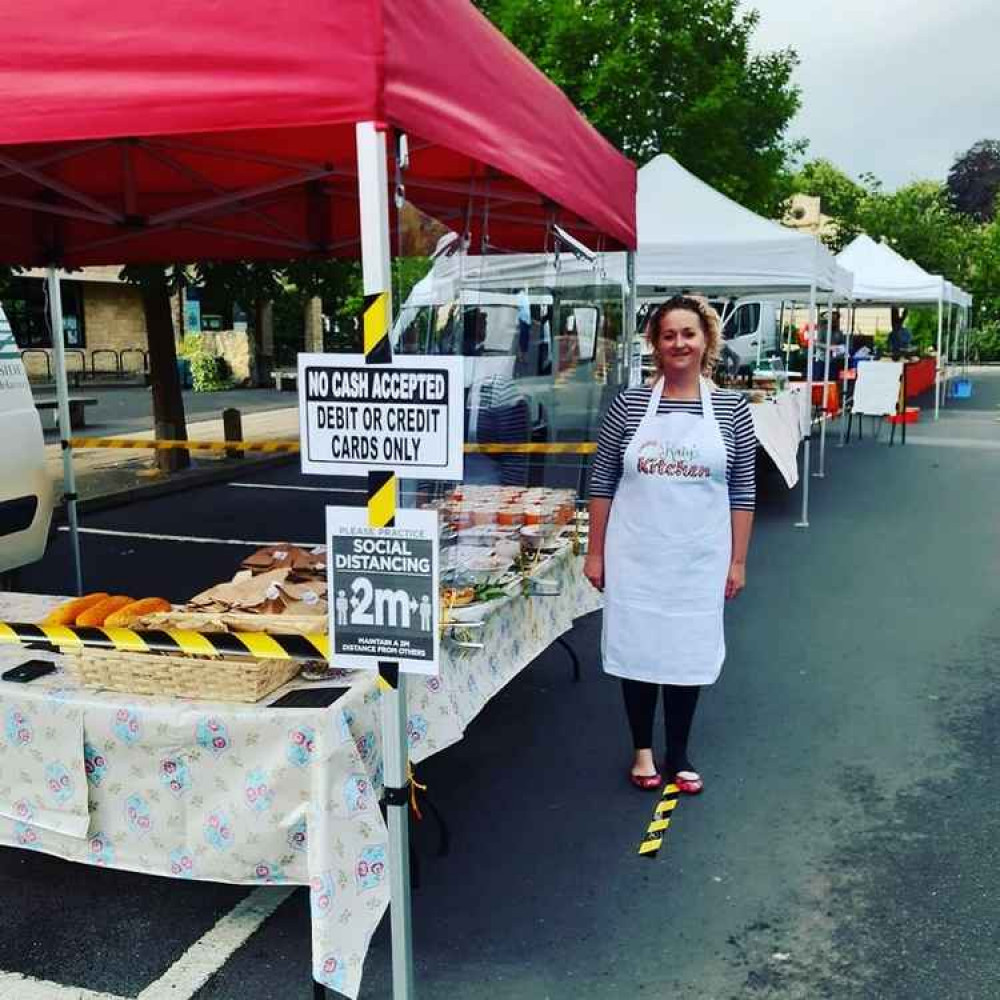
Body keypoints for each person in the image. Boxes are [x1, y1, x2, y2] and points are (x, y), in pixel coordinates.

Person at [584, 295, 756, 795]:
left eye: (689, 333)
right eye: (668, 335)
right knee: (638, 649)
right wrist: (595, 552)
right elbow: (602, 480)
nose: (679, 343)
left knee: (686, 651)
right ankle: (642, 749)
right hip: (635, 552)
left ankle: (678, 752)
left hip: (699, 556)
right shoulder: (631, 403)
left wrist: (738, 560)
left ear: (707, 341)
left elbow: (742, 488)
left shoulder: (730, 407)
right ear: (655, 345)